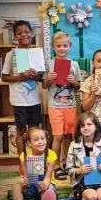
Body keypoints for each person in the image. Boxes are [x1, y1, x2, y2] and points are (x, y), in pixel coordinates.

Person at [2, 20, 43, 176]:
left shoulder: (37, 53)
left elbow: (41, 78)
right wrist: (20, 77)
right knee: (21, 131)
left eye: (27, 31)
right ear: (15, 36)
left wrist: (36, 75)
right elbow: (4, 77)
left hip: (34, 99)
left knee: (34, 132)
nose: (24, 35)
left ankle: (35, 162)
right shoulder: (10, 55)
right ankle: (22, 164)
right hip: (19, 99)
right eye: (20, 33)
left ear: (31, 34)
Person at [42, 31, 81, 180]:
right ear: (53, 47)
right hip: (55, 106)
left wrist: (73, 81)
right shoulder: (49, 64)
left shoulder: (74, 65)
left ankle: (68, 163)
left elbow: (78, 86)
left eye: (65, 45)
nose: (62, 48)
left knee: (69, 136)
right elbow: (45, 86)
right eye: (58, 46)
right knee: (57, 136)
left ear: (70, 46)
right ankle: (56, 166)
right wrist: (49, 79)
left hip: (70, 106)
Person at [0, 127, 57, 200]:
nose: (41, 142)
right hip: (31, 186)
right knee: (16, 185)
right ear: (30, 143)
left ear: (46, 140)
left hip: (45, 185)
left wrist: (45, 184)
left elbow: (48, 177)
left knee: (49, 192)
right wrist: (25, 181)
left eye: (43, 139)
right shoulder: (24, 155)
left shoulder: (51, 155)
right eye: (36, 140)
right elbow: (26, 175)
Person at [66, 112, 101, 200]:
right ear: (79, 129)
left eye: (89, 124)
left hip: (100, 179)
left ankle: (95, 195)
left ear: (96, 127)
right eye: (82, 126)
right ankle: (81, 195)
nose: (86, 128)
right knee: (92, 199)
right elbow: (68, 169)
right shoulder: (74, 145)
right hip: (82, 180)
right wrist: (78, 170)